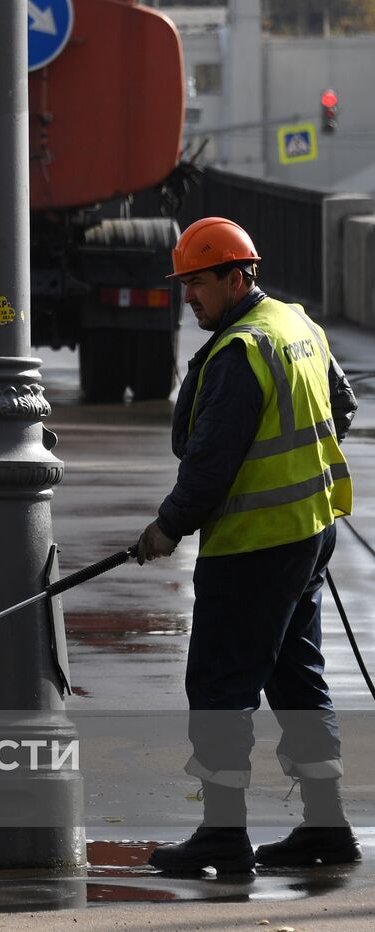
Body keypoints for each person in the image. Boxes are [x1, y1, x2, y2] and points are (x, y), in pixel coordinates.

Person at [136, 217, 361, 874]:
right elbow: (340, 407)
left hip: (254, 546)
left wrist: (167, 527)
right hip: (309, 532)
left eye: (198, 285)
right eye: (185, 286)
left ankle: (222, 836)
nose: (190, 299)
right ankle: (327, 828)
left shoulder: (239, 353)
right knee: (298, 681)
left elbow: (209, 465)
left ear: (236, 278)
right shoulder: (295, 324)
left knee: (219, 686)